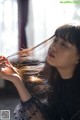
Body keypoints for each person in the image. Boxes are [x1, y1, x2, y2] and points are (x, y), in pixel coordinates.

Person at [0, 24, 80, 120]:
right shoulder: (56, 86)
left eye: (64, 44)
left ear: (78, 58)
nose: (54, 46)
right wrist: (16, 80)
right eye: (55, 40)